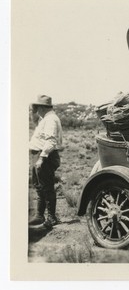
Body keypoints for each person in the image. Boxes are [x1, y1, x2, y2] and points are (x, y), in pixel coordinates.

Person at [29, 95, 63, 228]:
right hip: (39, 154)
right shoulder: (47, 118)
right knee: (39, 186)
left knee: (46, 187)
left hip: (44, 156)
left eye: (37, 107)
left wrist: (42, 158)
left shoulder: (50, 120)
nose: (36, 110)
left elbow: (51, 140)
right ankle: (40, 215)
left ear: (42, 107)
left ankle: (51, 217)